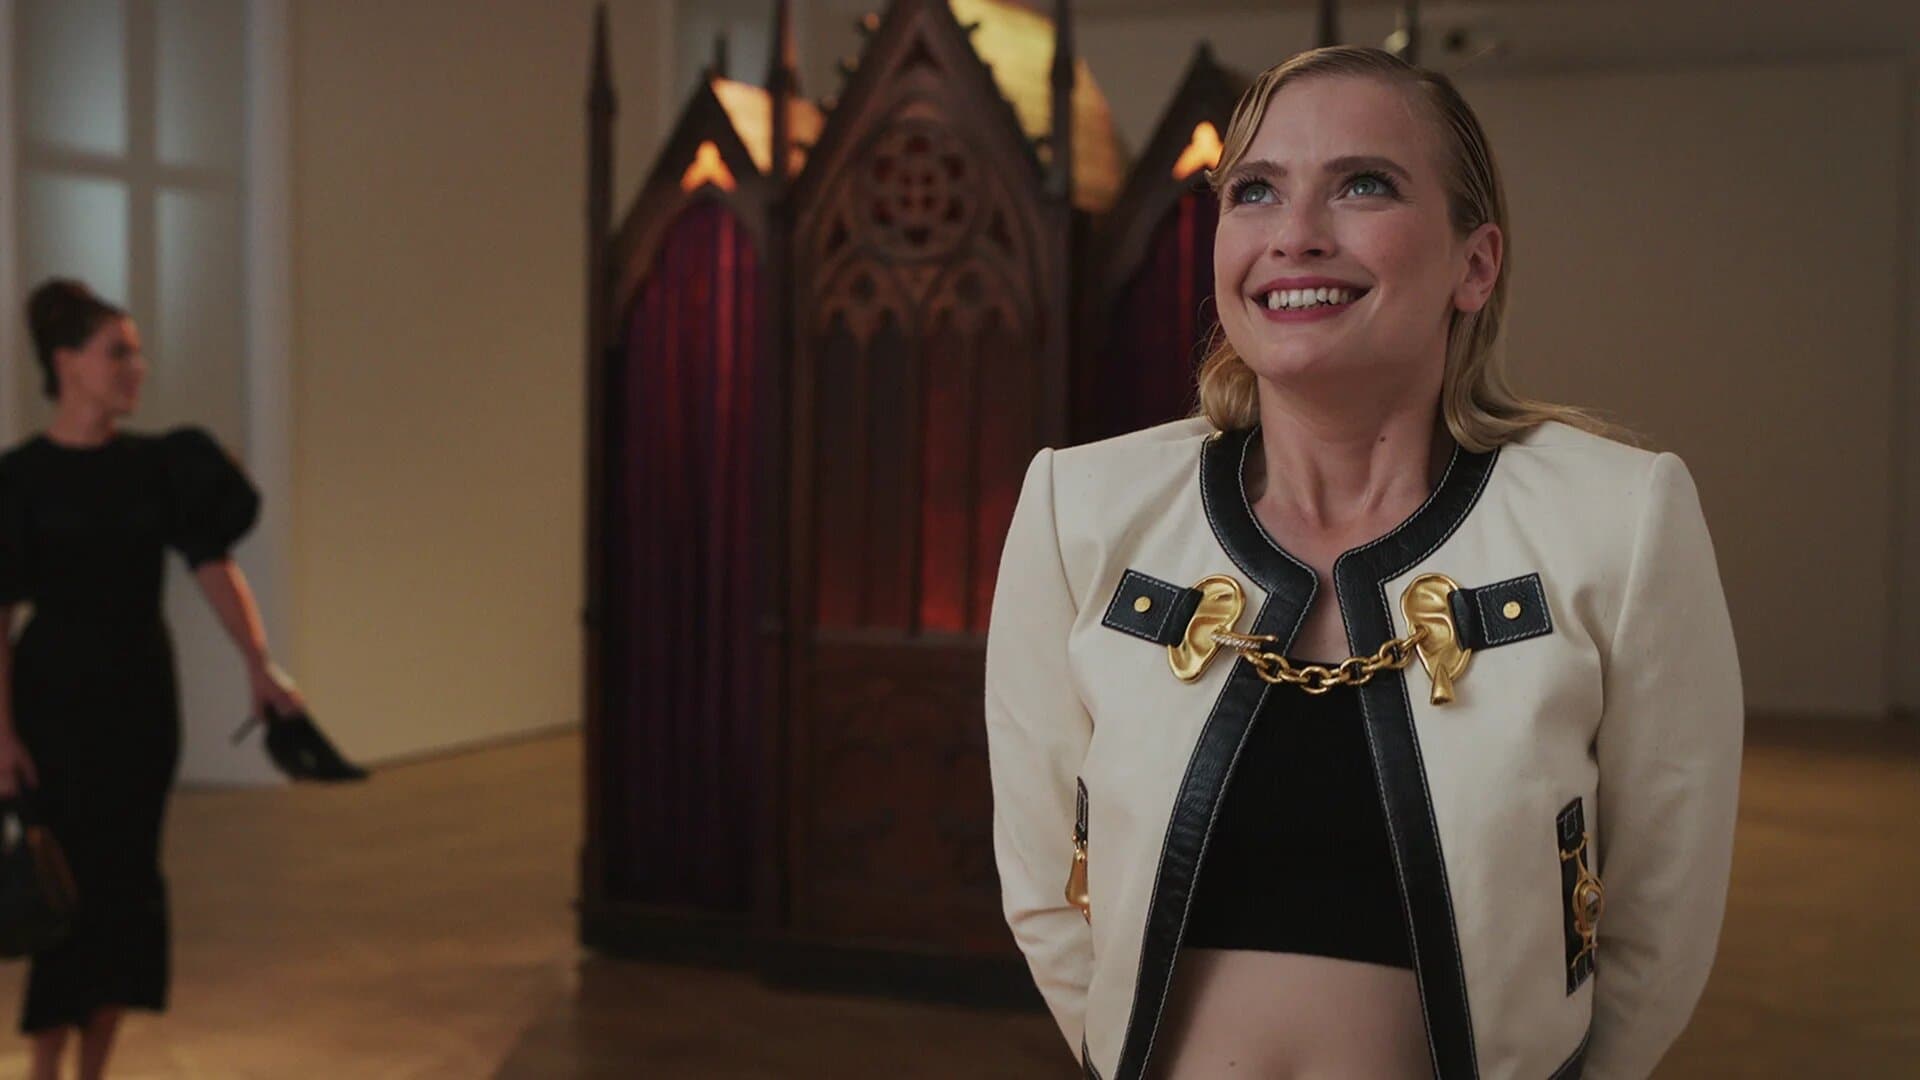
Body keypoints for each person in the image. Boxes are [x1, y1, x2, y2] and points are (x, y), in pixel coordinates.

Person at [984, 46, 1742, 1080]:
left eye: (1364, 185)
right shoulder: (1078, 511)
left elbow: (1661, 922)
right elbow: (1044, 890)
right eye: (1255, 191)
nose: (1295, 234)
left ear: (1476, 264)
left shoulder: (1619, 520)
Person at [0, 278, 305, 1080]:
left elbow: (212, 565)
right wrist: (0, 731)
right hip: (54, 702)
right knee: (59, 889)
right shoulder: (21, 478)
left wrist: (258, 662)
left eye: (136, 353)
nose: (136, 368)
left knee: (126, 889)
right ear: (66, 363)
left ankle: (93, 1073)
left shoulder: (158, 466)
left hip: (138, 699)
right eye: (119, 353)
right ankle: (43, 1070)